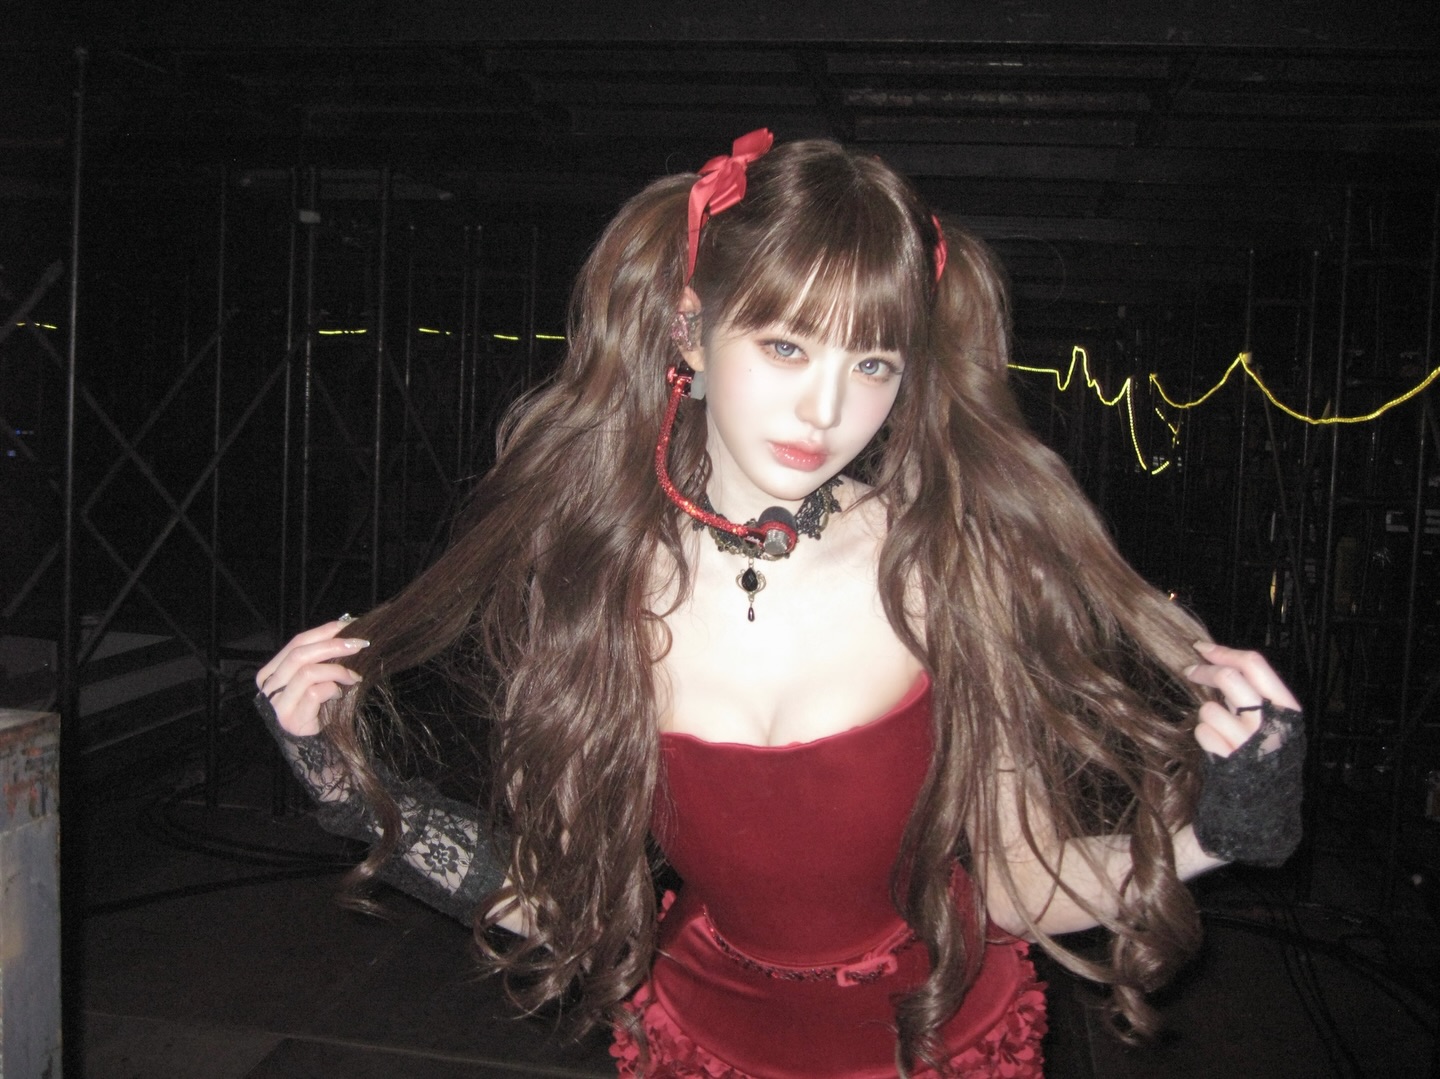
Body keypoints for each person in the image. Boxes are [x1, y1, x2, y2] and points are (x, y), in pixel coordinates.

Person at [254, 130, 1305, 1078]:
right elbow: (565, 905)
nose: (827, 408)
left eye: (873, 361)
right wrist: (352, 790)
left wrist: (1217, 831)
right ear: (689, 334)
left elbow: (1025, 885)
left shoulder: (939, 568)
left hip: (937, 1045)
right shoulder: (593, 586)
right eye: (787, 346)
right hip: (700, 1044)